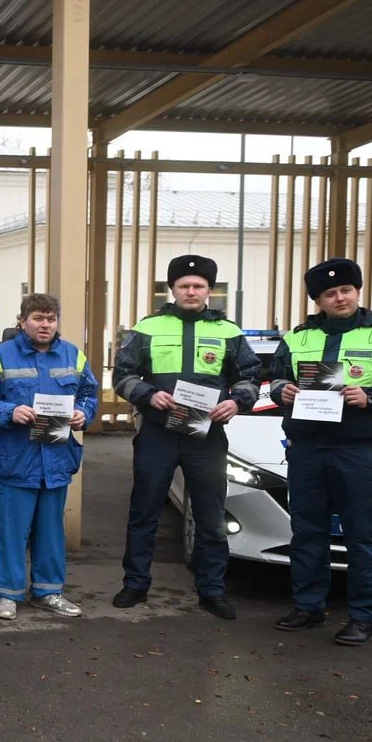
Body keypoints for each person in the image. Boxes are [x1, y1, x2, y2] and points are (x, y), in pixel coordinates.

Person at [270, 258, 372, 646]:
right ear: (318, 300)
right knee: (307, 532)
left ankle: (364, 615)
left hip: (358, 450)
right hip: (307, 449)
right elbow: (276, 377)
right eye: (330, 293)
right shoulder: (297, 337)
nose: (340, 298)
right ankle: (309, 605)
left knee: (362, 536)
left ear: (358, 291)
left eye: (346, 290)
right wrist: (280, 390)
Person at [111, 254, 260, 619]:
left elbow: (251, 377)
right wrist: (147, 394)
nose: (191, 291)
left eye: (199, 286)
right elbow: (122, 375)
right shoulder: (147, 329)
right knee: (144, 511)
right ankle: (135, 584)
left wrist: (236, 401)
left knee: (210, 516)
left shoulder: (229, 333)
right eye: (184, 286)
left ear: (210, 290)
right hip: (158, 433)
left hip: (205, 436)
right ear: (172, 289)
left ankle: (211, 590)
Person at [0, 293, 98, 620]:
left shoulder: (73, 355)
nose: (45, 325)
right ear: (22, 321)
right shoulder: (0, 358)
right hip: (17, 461)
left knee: (51, 532)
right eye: (38, 318)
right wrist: (9, 411)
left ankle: (49, 591)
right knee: (12, 532)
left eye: (51, 319)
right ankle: (8, 594)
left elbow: (88, 393)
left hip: (56, 461)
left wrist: (83, 413)